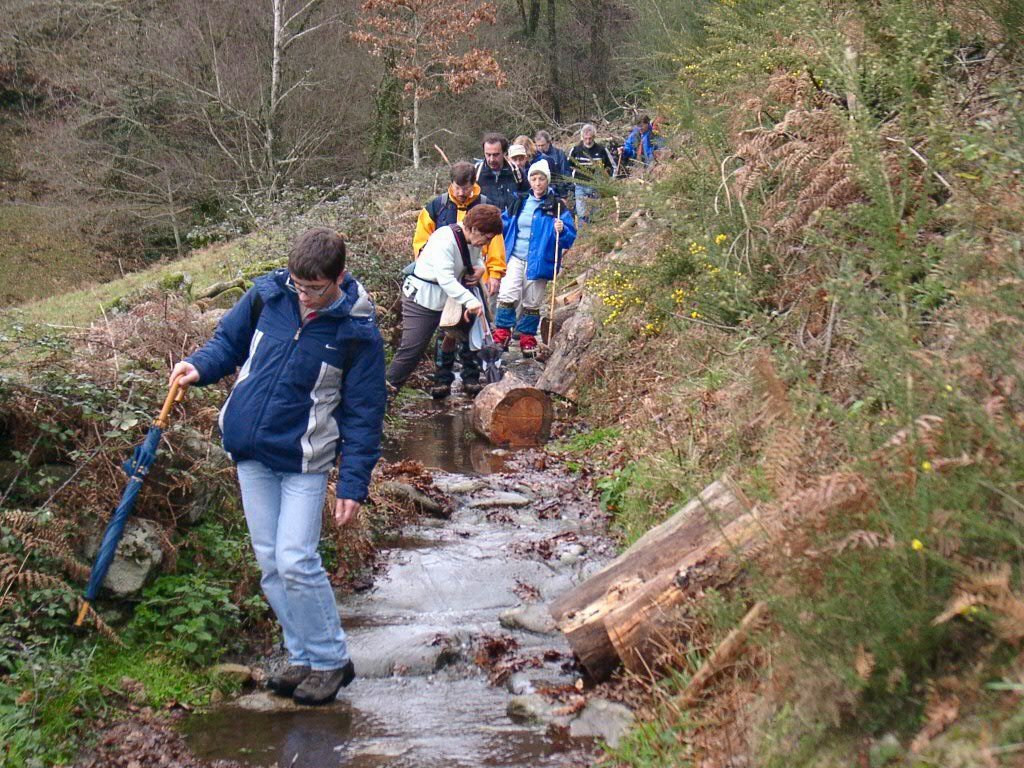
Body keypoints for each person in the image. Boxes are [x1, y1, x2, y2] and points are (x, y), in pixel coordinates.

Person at [169, 228, 385, 706]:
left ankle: (330, 660)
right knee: (270, 563)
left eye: (315, 289)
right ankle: (301, 655)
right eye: (298, 285)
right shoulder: (268, 296)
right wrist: (198, 367)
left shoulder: (357, 332)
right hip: (252, 451)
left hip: (304, 460)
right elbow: (227, 344)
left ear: (338, 278)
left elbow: (365, 414)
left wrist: (353, 483)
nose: (304, 296)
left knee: (296, 560)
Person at [412, 162, 507, 398]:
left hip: (471, 280)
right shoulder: (437, 206)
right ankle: (442, 378)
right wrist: (432, 270)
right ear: (451, 184)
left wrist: (491, 271)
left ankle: (471, 377)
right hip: (443, 283)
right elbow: (421, 243)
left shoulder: (484, 206)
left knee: (471, 328)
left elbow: (493, 243)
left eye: (466, 187)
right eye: (458, 187)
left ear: (474, 184)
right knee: (446, 330)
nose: (462, 192)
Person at [387, 205, 504, 393]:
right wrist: (471, 301)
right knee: (412, 351)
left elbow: (474, 259)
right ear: (475, 229)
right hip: (422, 299)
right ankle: (386, 392)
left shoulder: (472, 240)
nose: (486, 243)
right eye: (487, 238)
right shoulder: (444, 240)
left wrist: (481, 268)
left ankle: (450, 380)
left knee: (454, 338)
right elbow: (446, 279)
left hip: (449, 300)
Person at [493, 160, 577, 357]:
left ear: (547, 181)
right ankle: (502, 335)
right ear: (529, 181)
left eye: (541, 179)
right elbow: (504, 224)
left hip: (540, 259)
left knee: (532, 301)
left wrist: (562, 230)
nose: (537, 183)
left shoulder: (556, 206)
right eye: (534, 178)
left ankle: (527, 338)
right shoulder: (519, 202)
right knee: (507, 294)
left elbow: (569, 238)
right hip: (515, 255)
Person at [567, 123, 616, 221]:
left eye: (590, 138)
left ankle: (595, 228)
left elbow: (612, 166)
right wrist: (572, 181)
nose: (588, 141)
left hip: (597, 186)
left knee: (596, 214)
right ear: (582, 137)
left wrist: (610, 181)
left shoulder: (602, 150)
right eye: (585, 138)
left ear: (594, 137)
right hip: (580, 185)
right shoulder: (576, 150)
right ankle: (582, 229)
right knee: (581, 213)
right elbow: (568, 166)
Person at [474, 133, 525, 212]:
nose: (491, 159)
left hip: (511, 218)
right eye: (488, 155)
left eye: (496, 155)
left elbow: (527, 197)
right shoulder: (476, 173)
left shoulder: (516, 172)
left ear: (504, 153)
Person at [534, 130, 571, 197]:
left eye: (542, 145)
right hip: (540, 191)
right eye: (538, 146)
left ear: (548, 142)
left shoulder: (559, 154)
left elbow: (565, 173)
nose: (540, 148)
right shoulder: (534, 156)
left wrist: (566, 192)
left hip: (558, 190)